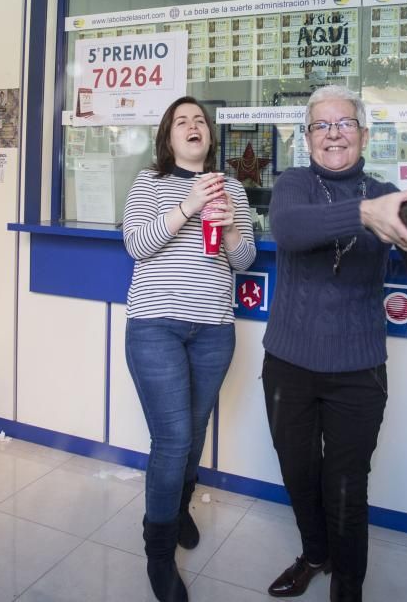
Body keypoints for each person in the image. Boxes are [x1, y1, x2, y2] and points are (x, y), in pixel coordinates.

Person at [262, 85, 407, 602]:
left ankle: (348, 584)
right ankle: (314, 553)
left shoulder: (388, 192)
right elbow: (290, 230)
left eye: (344, 123)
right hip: (289, 366)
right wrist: (367, 215)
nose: (333, 134)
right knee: (298, 472)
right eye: (321, 126)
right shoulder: (293, 185)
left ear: (364, 133)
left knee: (346, 487)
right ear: (307, 138)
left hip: (358, 370)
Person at [123, 96, 256, 602]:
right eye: (182, 121)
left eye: (199, 119)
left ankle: (177, 509)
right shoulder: (149, 182)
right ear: (168, 137)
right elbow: (136, 245)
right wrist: (188, 206)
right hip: (155, 327)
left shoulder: (233, 188)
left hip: (214, 330)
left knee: (193, 432)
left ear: (209, 135)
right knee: (173, 439)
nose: (192, 125)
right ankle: (158, 555)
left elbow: (243, 259)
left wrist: (223, 230)